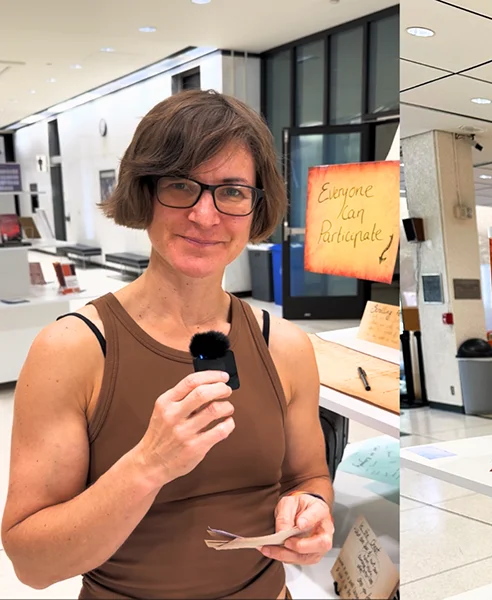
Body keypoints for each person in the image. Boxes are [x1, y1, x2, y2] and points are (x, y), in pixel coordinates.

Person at [1, 90, 334, 599]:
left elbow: (308, 476)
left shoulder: (285, 347)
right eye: (181, 185)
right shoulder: (73, 350)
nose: (205, 215)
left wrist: (312, 509)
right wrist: (148, 465)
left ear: (256, 206)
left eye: (232, 192)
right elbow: (32, 565)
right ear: (144, 192)